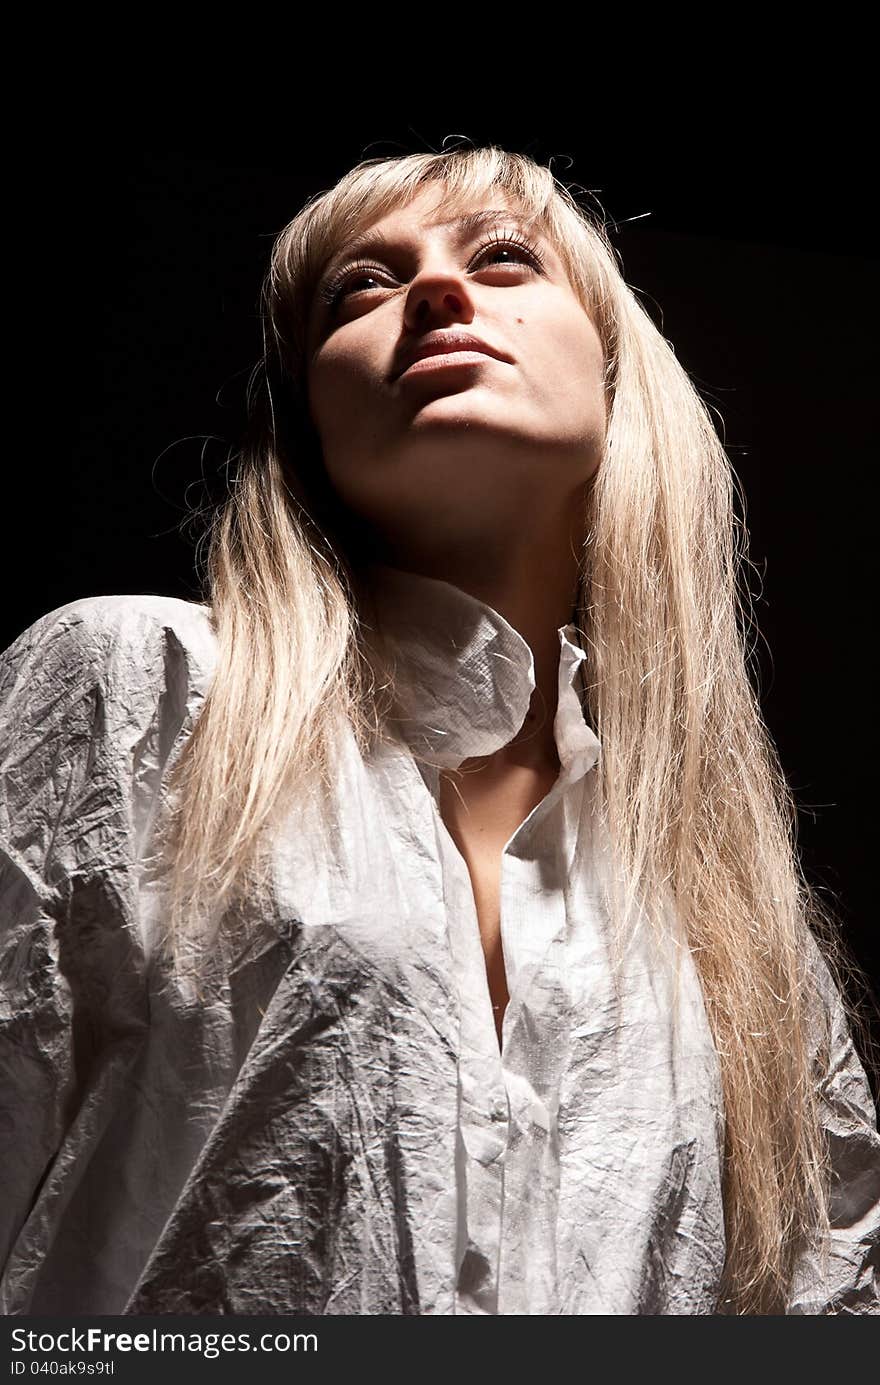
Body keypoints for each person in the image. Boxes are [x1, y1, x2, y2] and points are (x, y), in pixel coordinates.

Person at [1, 145, 878, 1317]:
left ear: (615, 373)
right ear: (310, 417)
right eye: (359, 285)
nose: (433, 291)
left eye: (504, 256)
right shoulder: (141, 683)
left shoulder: (732, 907)